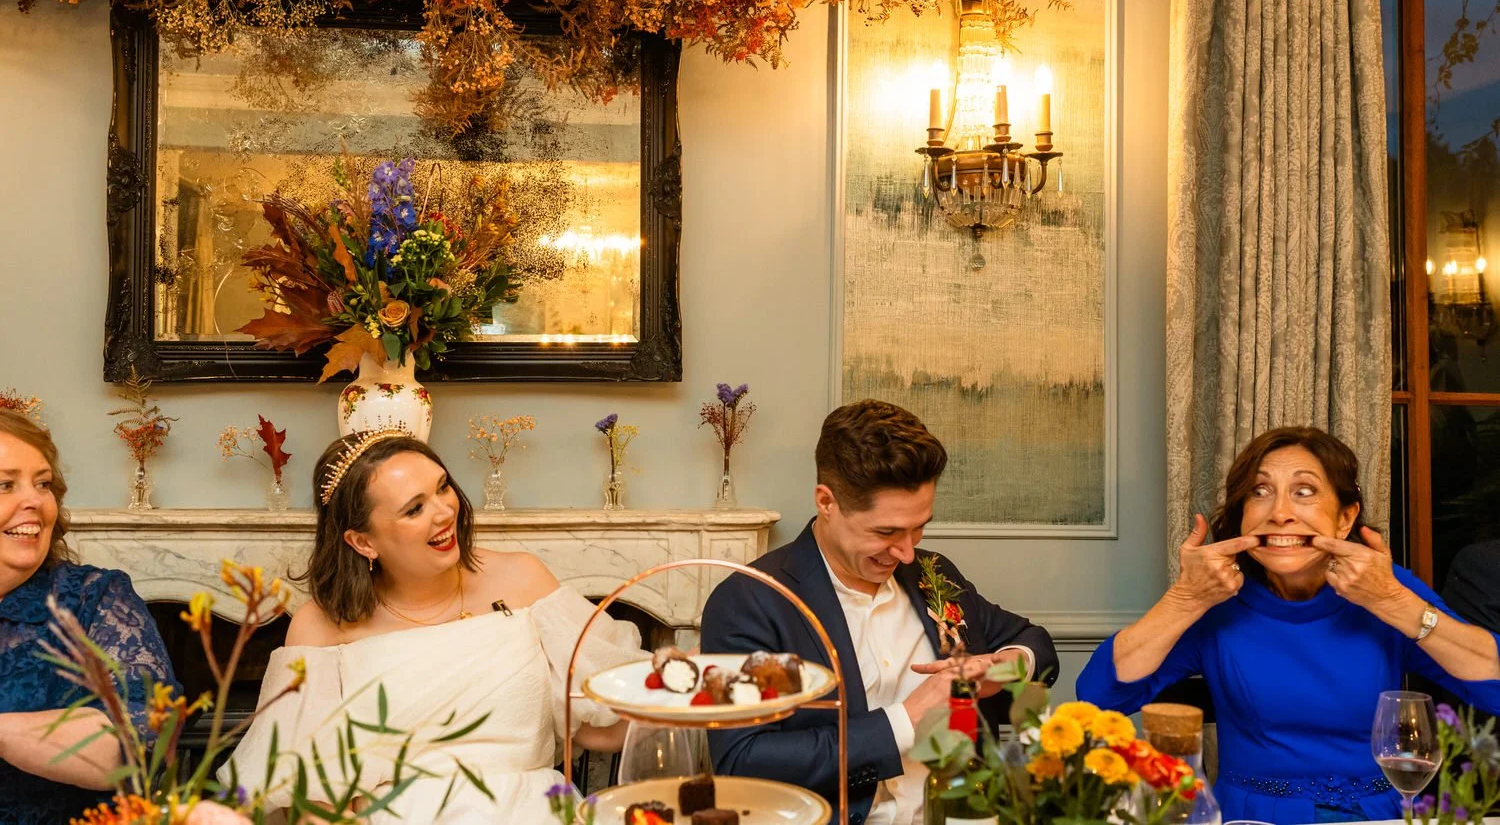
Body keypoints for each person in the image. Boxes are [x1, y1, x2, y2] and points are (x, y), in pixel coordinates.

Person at [1076, 426, 1500, 825]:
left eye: (1304, 492)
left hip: (1381, 816)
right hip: (1253, 817)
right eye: (1260, 492)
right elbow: (1099, 697)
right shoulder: (1216, 601)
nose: (1280, 513)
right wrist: (1185, 599)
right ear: (1243, 513)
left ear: (1345, 518)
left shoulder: (1386, 589)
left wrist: (1393, 602)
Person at [224, 429, 644, 823]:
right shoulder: (318, 628)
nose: (444, 511)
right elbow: (311, 801)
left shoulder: (522, 579)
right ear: (363, 542)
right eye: (414, 508)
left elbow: (597, 725)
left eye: (442, 486)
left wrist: (680, 692)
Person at [701, 400, 1058, 825]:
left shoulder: (932, 573)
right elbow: (742, 761)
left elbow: (1033, 642)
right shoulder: (751, 601)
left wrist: (1002, 667)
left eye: (919, 526)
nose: (908, 552)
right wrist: (906, 721)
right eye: (886, 532)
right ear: (826, 502)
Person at [0, 409, 177, 825]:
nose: (35, 501)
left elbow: (139, 742)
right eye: (5, 485)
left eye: (43, 484)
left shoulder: (94, 598)